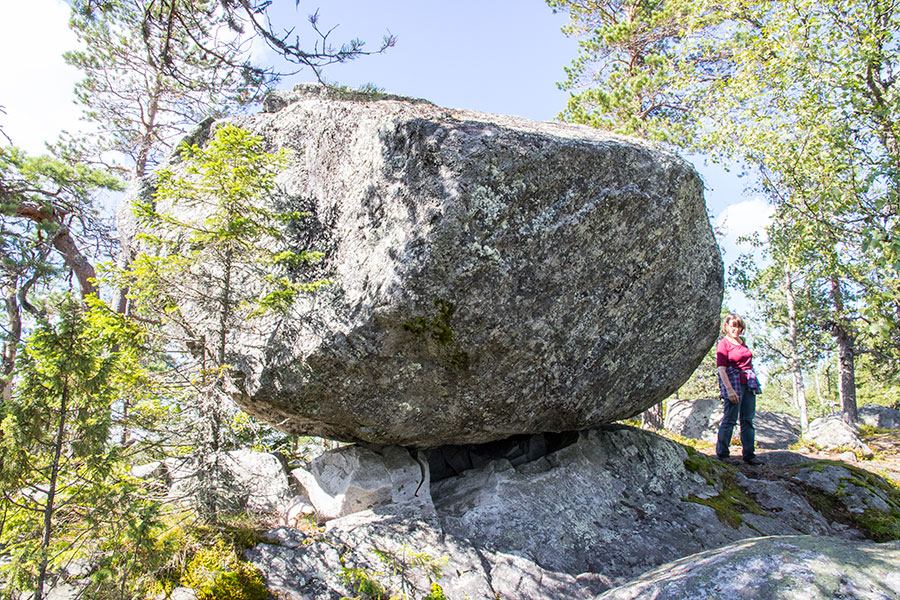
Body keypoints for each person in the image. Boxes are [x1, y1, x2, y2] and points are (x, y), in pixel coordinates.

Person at [715, 313, 763, 465]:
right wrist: (729, 390)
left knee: (747, 420)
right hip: (733, 383)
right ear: (727, 327)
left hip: (748, 382)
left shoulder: (742, 342)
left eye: (738, 326)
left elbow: (748, 364)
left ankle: (749, 454)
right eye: (733, 326)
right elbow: (721, 369)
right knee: (730, 419)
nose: (736, 329)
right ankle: (723, 453)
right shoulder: (723, 344)